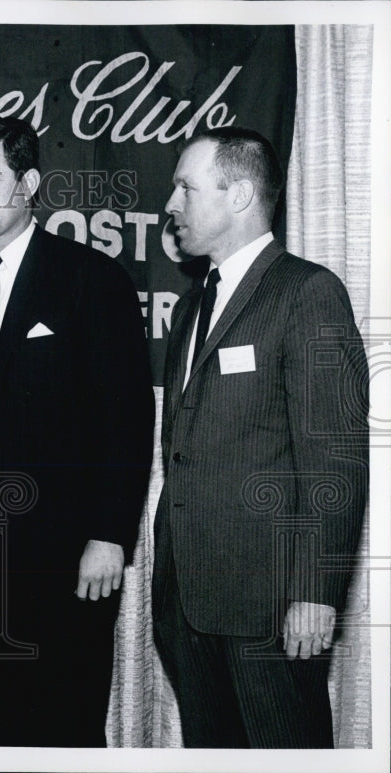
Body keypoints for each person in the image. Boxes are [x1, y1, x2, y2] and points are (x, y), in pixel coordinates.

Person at [0, 116, 154, 746]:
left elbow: (125, 419)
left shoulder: (93, 281)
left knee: (67, 733)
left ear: (29, 184)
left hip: (68, 557)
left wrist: (110, 535)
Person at [152, 127, 369, 748]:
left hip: (272, 609)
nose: (171, 204)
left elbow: (335, 460)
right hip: (190, 605)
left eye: (185, 188)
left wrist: (315, 593)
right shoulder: (192, 308)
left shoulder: (307, 292)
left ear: (240, 194)